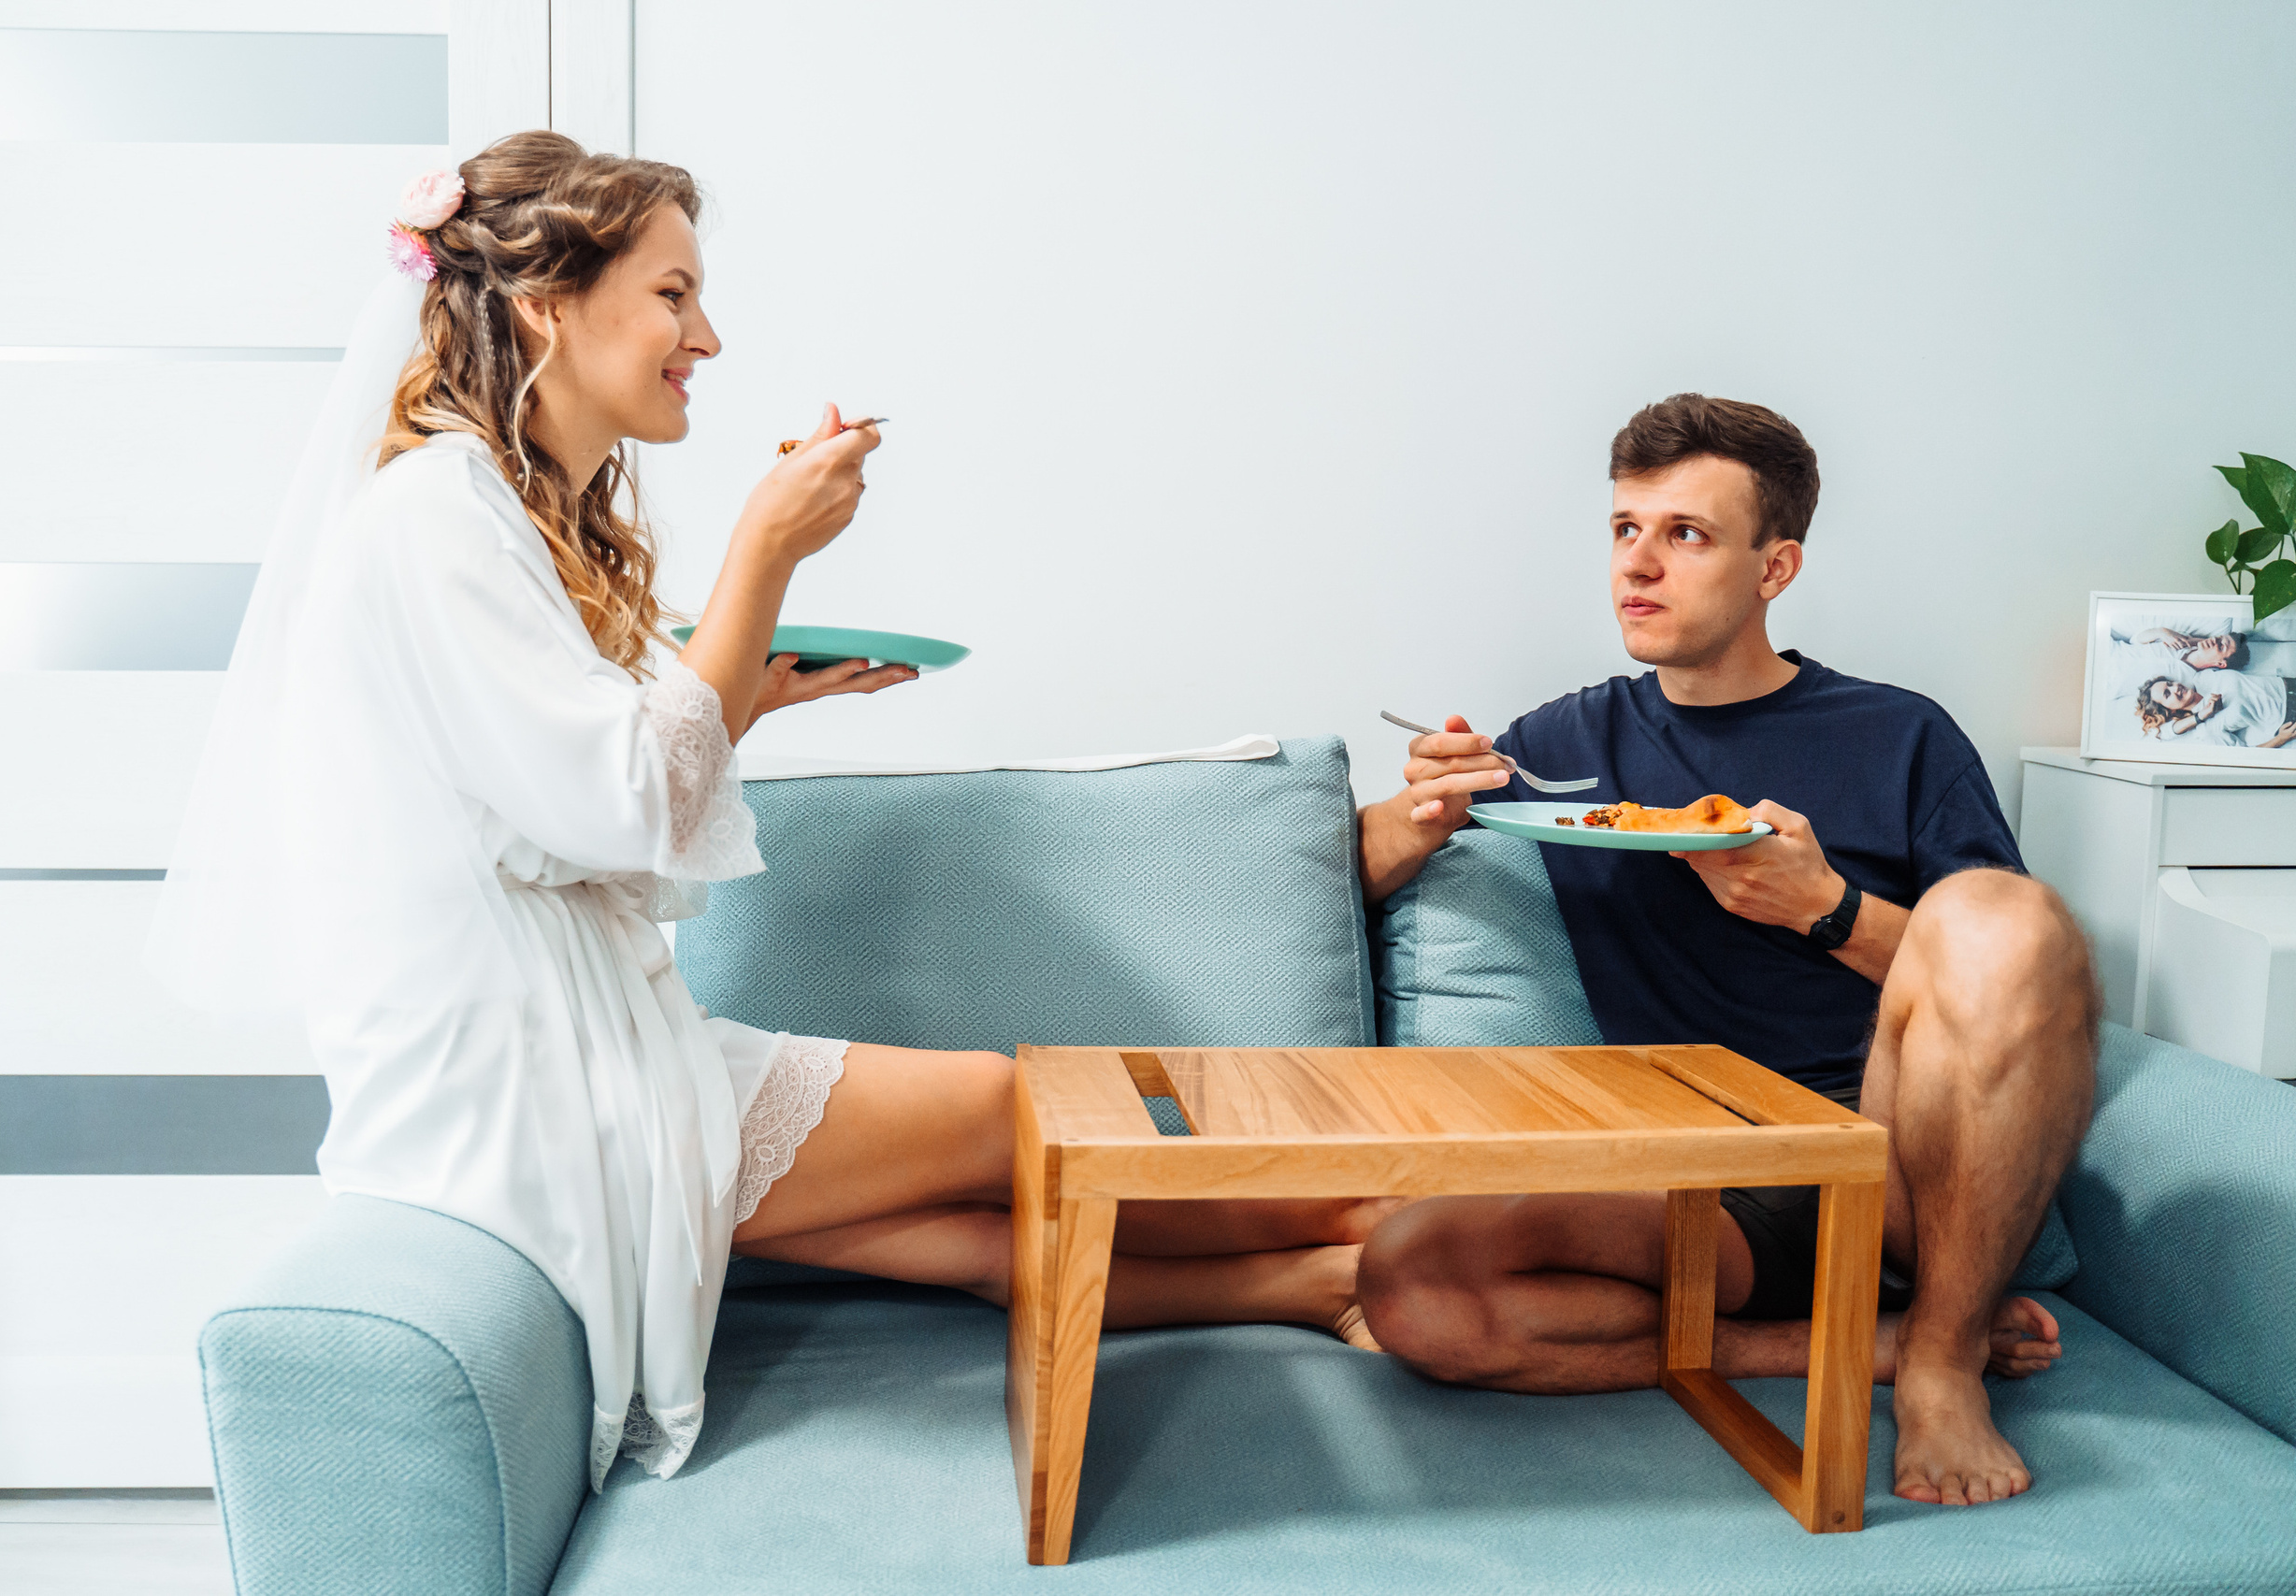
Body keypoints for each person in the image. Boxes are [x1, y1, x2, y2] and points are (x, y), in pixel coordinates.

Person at [148, 133, 1381, 1493]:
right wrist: (764, 555)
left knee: (971, 1229)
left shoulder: (496, 505)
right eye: (674, 294)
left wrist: (754, 691)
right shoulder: (439, 514)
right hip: (531, 1075)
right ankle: (1379, 1213)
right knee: (1006, 1109)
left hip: (572, 1034)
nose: (708, 336)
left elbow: (562, 800)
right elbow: (627, 799)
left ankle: (1326, 1277)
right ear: (547, 303)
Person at [1350, 394, 2099, 1508]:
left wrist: (1826, 906)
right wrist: (1423, 812)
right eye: (1624, 530)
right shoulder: (1573, 740)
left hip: (1895, 1157)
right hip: (1706, 1182)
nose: (1637, 566)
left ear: (1774, 566)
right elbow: (1348, 874)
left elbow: (2010, 977)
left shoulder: (1899, 735)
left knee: (2008, 913)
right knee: (1416, 1286)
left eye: (1685, 534)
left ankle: (1941, 1363)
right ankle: (1865, 1341)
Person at [2133, 672, 2296, 747]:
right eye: (2167, 694)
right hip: (2288, 713)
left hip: (2288, 683)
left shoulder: (2203, 677)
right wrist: (2281, 739)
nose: (2175, 687)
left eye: (2170, 683)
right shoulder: (2207, 731)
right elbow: (2245, 758)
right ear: (2170, 711)